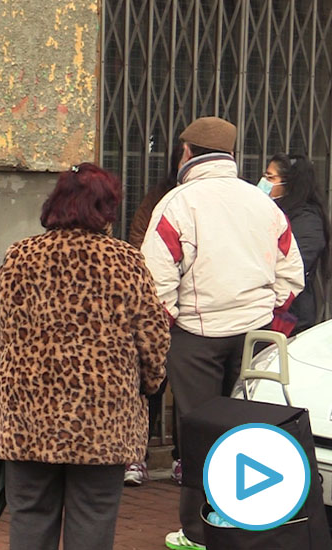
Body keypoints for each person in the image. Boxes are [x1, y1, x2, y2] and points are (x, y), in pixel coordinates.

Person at [0, 163, 170, 550]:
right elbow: (153, 337)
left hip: (30, 416)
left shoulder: (22, 255)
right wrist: (147, 385)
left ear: (56, 203)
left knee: (30, 513)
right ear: (107, 208)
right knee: (94, 515)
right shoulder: (125, 260)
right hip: (103, 418)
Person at [140, 117, 305, 550]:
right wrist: (268, 313)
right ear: (231, 156)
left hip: (196, 335)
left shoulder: (177, 204)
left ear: (187, 153)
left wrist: (173, 324)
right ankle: (244, 522)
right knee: (247, 427)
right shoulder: (263, 204)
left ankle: (198, 533)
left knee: (198, 430)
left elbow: (154, 281)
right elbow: (292, 272)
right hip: (254, 332)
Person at [125, 144, 185, 487]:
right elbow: (138, 239)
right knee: (150, 382)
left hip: (194, 310)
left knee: (187, 390)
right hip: (155, 304)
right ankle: (137, 456)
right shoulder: (158, 198)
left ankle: (183, 457)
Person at [260, 153, 330, 336]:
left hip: (291, 317)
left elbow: (296, 264)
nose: (264, 182)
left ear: (289, 184)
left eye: (271, 177)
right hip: (269, 310)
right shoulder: (272, 211)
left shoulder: (307, 220)